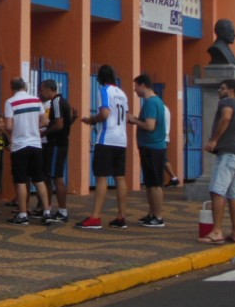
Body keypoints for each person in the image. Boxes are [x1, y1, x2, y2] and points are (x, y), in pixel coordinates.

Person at [75, 65, 129, 230]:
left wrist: (91, 119)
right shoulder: (122, 93)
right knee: (120, 177)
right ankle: (121, 216)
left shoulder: (105, 91)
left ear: (100, 78)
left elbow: (104, 114)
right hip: (121, 139)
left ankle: (95, 216)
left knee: (101, 177)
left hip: (107, 138)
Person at [198, 78, 235, 244]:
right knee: (233, 195)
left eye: (222, 88)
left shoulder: (226, 103)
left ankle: (217, 231)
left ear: (231, 91)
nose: (219, 91)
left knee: (217, 191)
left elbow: (226, 118)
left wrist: (214, 140)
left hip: (228, 155)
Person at [3, 78, 56, 225]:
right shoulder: (36, 100)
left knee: (21, 181)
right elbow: (45, 121)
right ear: (25, 87)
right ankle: (47, 212)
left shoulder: (10, 102)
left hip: (20, 145)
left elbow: (8, 126)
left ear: (12, 87)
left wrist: (19, 129)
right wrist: (32, 126)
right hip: (36, 144)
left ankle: (23, 214)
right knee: (39, 179)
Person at [128, 73, 167, 227]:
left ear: (143, 85)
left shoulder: (151, 103)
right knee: (150, 183)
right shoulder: (156, 101)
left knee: (155, 184)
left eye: (136, 86)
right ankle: (151, 213)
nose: (135, 90)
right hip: (151, 147)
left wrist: (134, 120)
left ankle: (158, 216)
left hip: (153, 147)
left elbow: (150, 126)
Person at [39, 79, 74, 221]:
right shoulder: (64, 101)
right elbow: (68, 120)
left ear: (49, 89)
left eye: (42, 90)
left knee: (56, 177)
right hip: (61, 143)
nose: (41, 93)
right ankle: (52, 208)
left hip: (56, 144)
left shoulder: (56, 102)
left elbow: (59, 125)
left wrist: (44, 132)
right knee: (54, 176)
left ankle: (61, 210)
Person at [163, 102, 180, 186]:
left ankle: (174, 178)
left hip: (160, 138)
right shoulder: (165, 108)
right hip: (165, 137)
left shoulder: (160, 108)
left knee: (163, 159)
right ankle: (173, 178)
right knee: (162, 159)